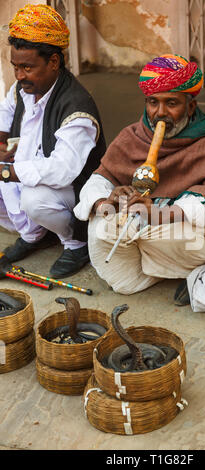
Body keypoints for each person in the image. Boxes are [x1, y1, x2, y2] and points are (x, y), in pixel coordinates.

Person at [74, 54, 205, 302]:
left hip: (178, 230)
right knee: (105, 237)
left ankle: (190, 268)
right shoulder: (133, 136)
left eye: (172, 103)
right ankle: (166, 271)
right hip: (142, 228)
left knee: (187, 238)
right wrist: (106, 201)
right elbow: (100, 178)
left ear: (190, 106)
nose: (160, 113)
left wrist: (159, 214)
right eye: (153, 102)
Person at [0, 4, 106, 278]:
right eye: (15, 67)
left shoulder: (77, 107)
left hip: (74, 188)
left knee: (35, 202)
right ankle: (35, 234)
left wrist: (7, 171)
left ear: (54, 62)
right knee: (23, 193)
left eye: (27, 67)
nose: (19, 75)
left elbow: (62, 171)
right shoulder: (23, 88)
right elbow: (4, 119)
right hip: (31, 173)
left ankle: (76, 243)